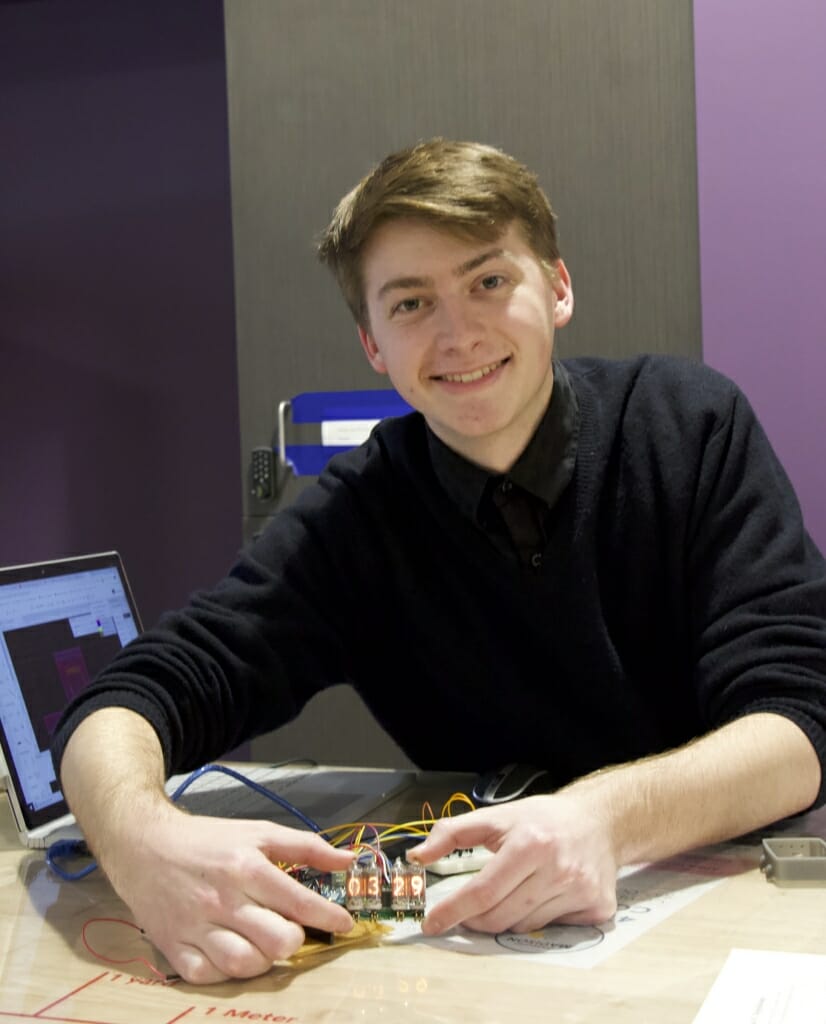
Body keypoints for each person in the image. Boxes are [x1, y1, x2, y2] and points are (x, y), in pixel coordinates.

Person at [53, 138, 826, 985]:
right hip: (490, 962)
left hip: (728, 926)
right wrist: (140, 841)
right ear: (373, 344)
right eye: (412, 303)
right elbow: (135, 693)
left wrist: (600, 819)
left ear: (557, 288)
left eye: (489, 282)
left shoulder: (687, 425)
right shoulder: (359, 513)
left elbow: (800, 722)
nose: (458, 334)